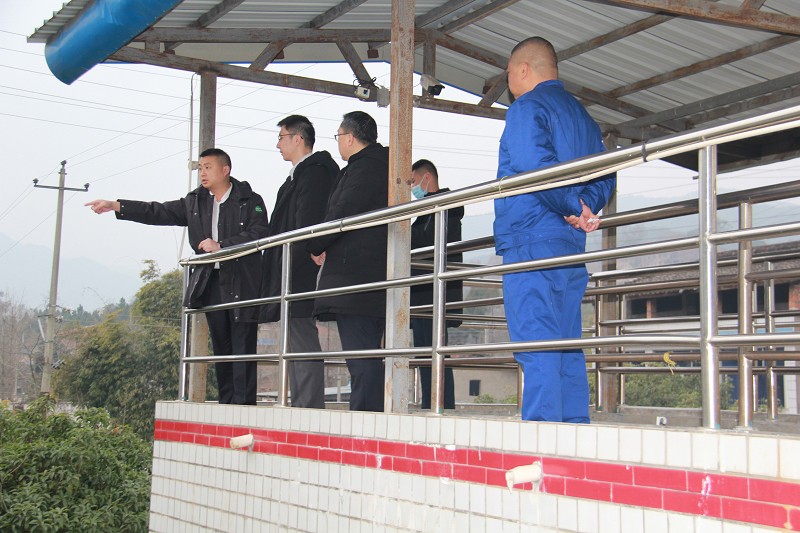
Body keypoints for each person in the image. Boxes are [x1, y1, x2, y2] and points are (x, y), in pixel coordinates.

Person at [86, 148, 269, 405]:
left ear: (225, 170)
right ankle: (227, 405)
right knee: (222, 346)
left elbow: (260, 232)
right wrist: (116, 205)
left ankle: (245, 406)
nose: (202, 173)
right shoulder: (195, 202)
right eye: (200, 168)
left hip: (242, 282)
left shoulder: (249, 200)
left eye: (208, 167)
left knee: (243, 345)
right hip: (211, 282)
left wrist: (221, 245)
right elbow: (157, 211)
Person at [494, 37, 616, 423]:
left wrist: (570, 205)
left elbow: (534, 166)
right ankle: (574, 429)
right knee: (566, 343)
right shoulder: (584, 118)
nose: (509, 80)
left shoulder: (526, 107)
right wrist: (583, 206)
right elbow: (606, 173)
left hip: (531, 237)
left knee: (537, 341)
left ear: (523, 69)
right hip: (569, 243)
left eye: (509, 72)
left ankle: (542, 434)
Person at [307, 111, 389, 412]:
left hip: (356, 278)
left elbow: (342, 212)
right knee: (366, 355)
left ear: (350, 138)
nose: (339, 142)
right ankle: (369, 413)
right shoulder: (379, 165)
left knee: (362, 357)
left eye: (339, 136)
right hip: (369, 275)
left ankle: (366, 418)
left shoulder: (363, 168)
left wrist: (315, 243)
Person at [260, 115, 338, 409]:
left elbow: (308, 220)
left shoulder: (314, 173)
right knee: (295, 338)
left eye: (281, 137)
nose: (278, 144)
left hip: (302, 267)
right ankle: (302, 402)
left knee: (302, 337)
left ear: (298, 138)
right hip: (292, 265)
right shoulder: (298, 176)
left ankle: (308, 406)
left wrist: (308, 250)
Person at [409, 159, 463, 410]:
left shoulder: (442, 207)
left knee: (433, 354)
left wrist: (403, 230)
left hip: (431, 294)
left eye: (413, 181)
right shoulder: (432, 209)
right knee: (428, 354)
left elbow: (425, 241)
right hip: (426, 293)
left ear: (426, 178)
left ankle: (439, 405)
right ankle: (434, 403)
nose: (412, 188)